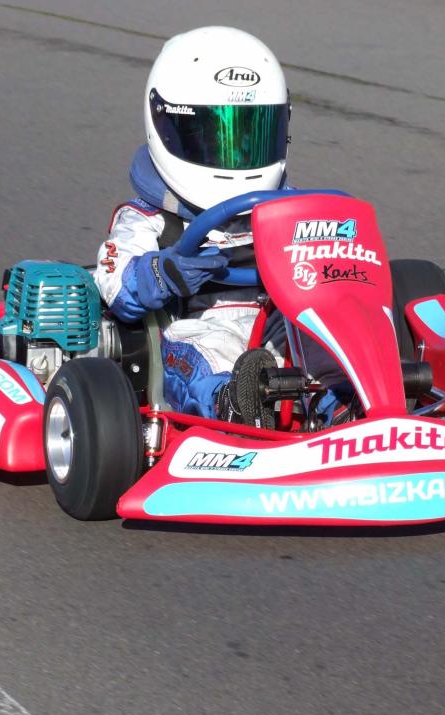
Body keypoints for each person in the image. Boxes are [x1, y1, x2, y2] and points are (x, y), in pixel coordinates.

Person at [93, 26, 341, 427]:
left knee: (323, 338)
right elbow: (116, 283)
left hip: (278, 319)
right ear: (169, 126)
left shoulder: (289, 208)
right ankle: (233, 405)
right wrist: (162, 271)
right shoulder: (149, 219)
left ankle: (344, 407)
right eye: (215, 137)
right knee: (209, 350)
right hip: (195, 325)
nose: (237, 155)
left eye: (251, 136)